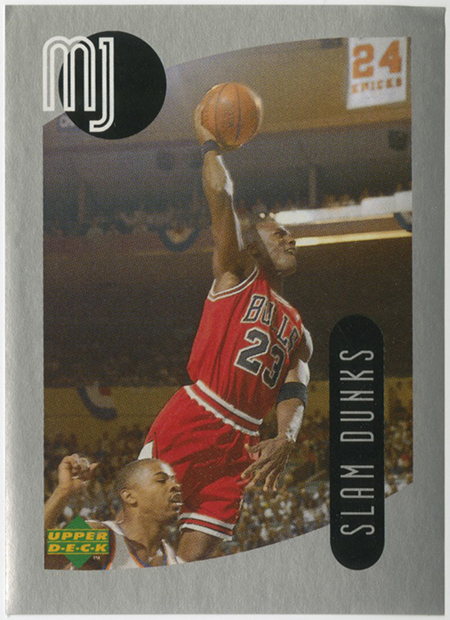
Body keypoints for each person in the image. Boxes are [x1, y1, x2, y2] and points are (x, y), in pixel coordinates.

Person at [139, 103, 313, 562]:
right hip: (197, 414)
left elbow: (296, 385)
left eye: (291, 235)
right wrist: (209, 144)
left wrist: (286, 436)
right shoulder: (237, 272)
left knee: (192, 563)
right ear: (253, 246)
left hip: (242, 444)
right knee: (137, 535)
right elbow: (221, 196)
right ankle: (66, 568)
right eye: (279, 233)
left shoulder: (298, 329)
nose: (290, 239)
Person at [45, 454, 183, 569]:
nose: (175, 486)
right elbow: (38, 557)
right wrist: (63, 491)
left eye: (173, 480)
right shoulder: (100, 536)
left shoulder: (173, 559)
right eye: (161, 480)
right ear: (129, 497)